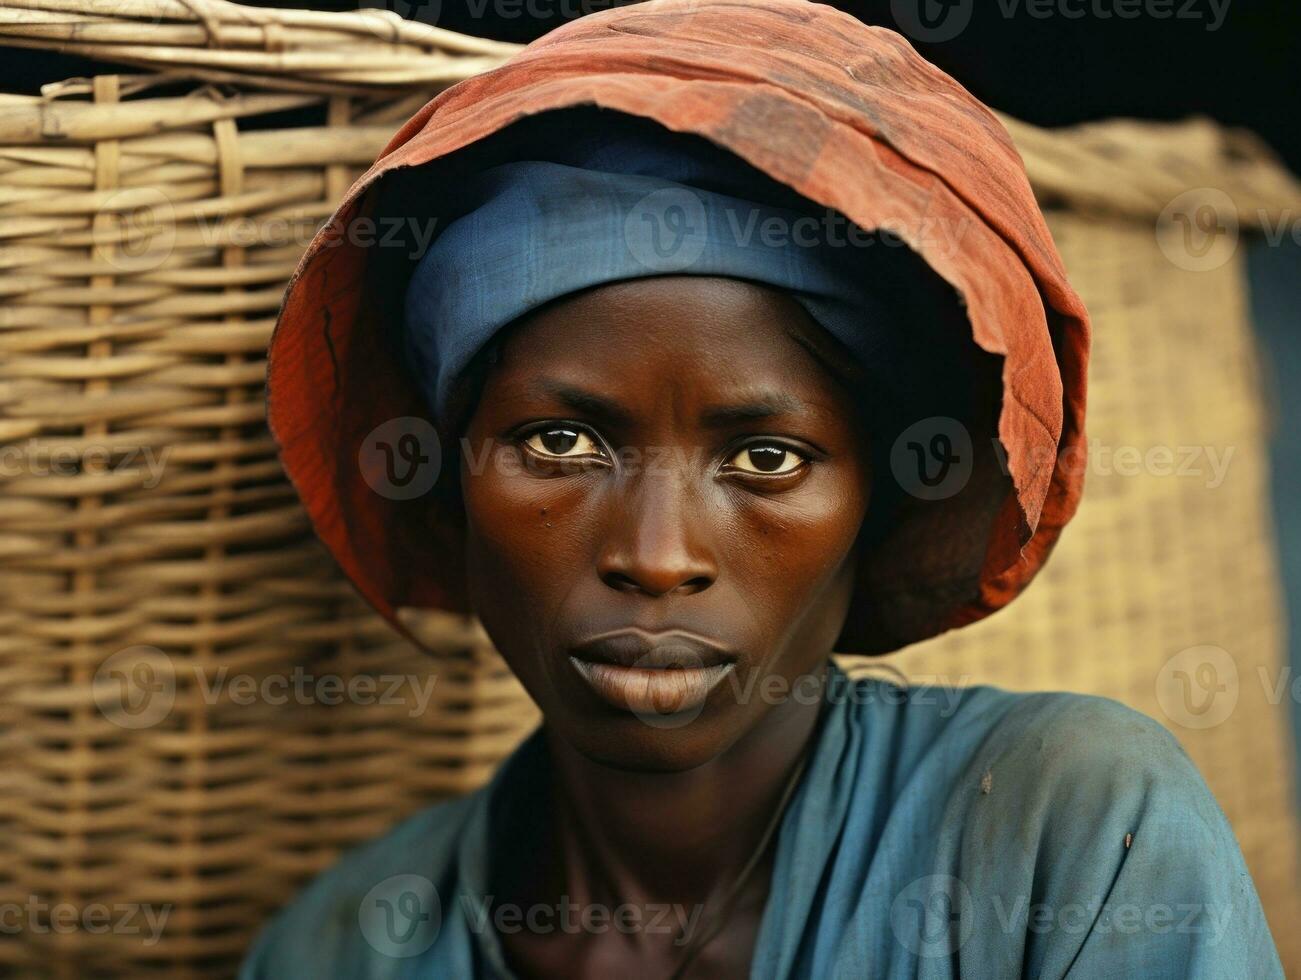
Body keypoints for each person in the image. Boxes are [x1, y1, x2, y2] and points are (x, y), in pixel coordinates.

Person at [239, 0, 1284, 976]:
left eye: (765, 459)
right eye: (558, 441)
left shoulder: (1068, 833)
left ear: (878, 502)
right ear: (449, 476)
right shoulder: (343, 944)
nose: (654, 555)